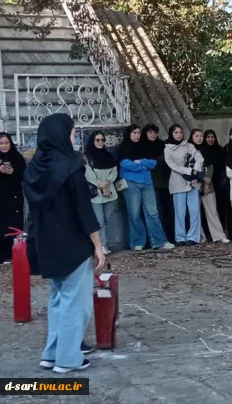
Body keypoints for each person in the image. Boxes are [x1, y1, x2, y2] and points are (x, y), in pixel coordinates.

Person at [23, 113, 106, 373]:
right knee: (76, 304)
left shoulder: (33, 168)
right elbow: (83, 209)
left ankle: (52, 354)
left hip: (47, 243)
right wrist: (98, 245)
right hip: (73, 243)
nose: (74, 136)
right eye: (72, 131)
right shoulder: (71, 165)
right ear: (62, 134)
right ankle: (68, 359)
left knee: (59, 300)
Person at [118, 124, 174, 251]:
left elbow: (153, 163)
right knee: (134, 213)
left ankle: (159, 241)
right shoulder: (123, 148)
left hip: (147, 182)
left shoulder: (144, 146)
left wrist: (140, 163)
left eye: (138, 132)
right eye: (134, 133)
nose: (137, 135)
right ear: (129, 134)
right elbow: (125, 164)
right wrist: (143, 165)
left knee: (153, 212)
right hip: (131, 182)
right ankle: (137, 242)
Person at [164, 124, 204, 246]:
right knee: (180, 212)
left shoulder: (189, 145)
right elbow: (172, 165)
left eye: (180, 132)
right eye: (176, 132)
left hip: (192, 182)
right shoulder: (168, 149)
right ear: (171, 133)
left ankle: (193, 236)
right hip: (177, 182)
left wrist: (195, 170)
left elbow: (199, 158)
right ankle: (180, 237)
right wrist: (188, 171)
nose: (179, 134)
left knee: (194, 210)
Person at [191, 129, 231, 244]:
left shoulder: (209, 151)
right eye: (197, 136)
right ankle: (200, 236)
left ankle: (218, 235)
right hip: (193, 184)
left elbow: (210, 167)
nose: (200, 138)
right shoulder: (190, 150)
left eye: (201, 136)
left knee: (212, 210)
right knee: (195, 211)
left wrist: (206, 182)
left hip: (209, 183)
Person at [83, 131, 119, 255]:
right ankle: (101, 245)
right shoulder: (87, 157)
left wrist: (107, 182)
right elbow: (88, 174)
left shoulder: (109, 156)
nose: (100, 142)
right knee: (99, 220)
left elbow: (114, 171)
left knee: (108, 218)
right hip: (96, 192)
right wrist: (100, 184)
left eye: (102, 140)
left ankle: (104, 244)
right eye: (97, 140)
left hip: (109, 191)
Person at [144, 124, 175, 241]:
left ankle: (169, 236)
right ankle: (156, 238)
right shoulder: (142, 146)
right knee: (155, 211)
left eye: (155, 132)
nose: (153, 135)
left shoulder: (162, 145)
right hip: (150, 182)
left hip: (165, 181)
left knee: (167, 209)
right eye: (150, 132)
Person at [202, 129, 232, 240]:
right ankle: (208, 232)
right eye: (208, 137)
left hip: (220, 183)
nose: (211, 139)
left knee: (221, 208)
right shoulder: (201, 151)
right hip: (207, 182)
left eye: (212, 137)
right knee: (208, 208)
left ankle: (221, 231)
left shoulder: (220, 150)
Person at [0, 132, 25, 264]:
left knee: (13, 225)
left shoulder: (17, 157)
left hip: (14, 198)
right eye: (1, 143)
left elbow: (25, 175)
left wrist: (13, 172)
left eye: (6, 143)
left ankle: (13, 254)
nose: (4, 146)